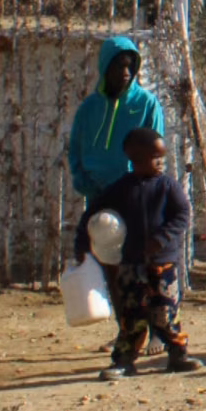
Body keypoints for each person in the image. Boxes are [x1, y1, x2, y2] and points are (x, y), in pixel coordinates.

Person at [74, 128, 203, 380]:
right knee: (132, 316)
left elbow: (182, 216)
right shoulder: (119, 190)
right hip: (130, 265)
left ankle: (178, 354)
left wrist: (161, 238)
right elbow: (90, 216)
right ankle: (124, 361)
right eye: (154, 157)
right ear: (134, 158)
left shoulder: (168, 186)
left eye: (162, 157)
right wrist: (82, 244)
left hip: (164, 265)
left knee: (166, 313)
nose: (160, 163)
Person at [67, 36, 166, 355]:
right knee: (111, 266)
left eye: (130, 66)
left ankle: (154, 331)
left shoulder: (146, 104)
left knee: (144, 266)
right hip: (99, 197)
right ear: (104, 68)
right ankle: (126, 329)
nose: (126, 72)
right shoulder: (89, 109)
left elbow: (156, 148)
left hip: (135, 197)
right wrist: (83, 181)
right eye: (119, 65)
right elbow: (75, 149)